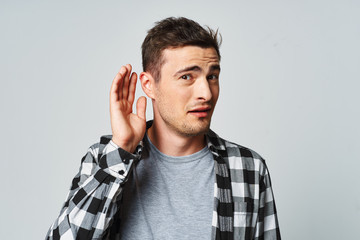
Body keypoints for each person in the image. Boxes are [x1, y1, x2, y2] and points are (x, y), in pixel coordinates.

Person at [46, 17, 281, 240]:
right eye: (187, 76)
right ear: (149, 86)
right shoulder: (103, 158)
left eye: (212, 77)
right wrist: (122, 150)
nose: (206, 94)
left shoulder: (249, 167)